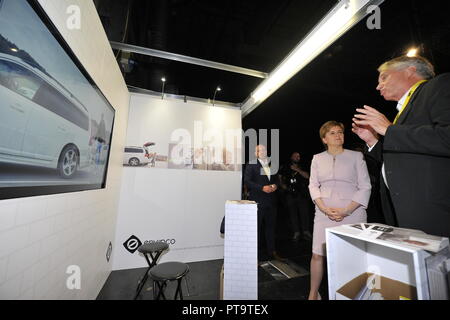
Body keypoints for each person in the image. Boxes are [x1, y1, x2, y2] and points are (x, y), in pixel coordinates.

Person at [352, 55, 450, 237]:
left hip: (434, 213)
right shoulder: (403, 110)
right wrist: (373, 141)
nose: (378, 86)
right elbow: (404, 157)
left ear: (409, 71)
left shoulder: (439, 86)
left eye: (384, 77)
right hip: (403, 211)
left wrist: (389, 130)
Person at [308, 121, 371, 300]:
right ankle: (313, 293)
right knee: (317, 254)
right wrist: (323, 208)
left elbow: (365, 186)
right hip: (323, 212)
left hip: (353, 212)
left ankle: (353, 294)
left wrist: (346, 211)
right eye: (333, 133)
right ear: (324, 139)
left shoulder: (356, 157)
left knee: (351, 255)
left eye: (340, 132)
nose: (338, 135)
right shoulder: (317, 158)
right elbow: (313, 185)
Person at [244, 145, 283, 262]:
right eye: (259, 150)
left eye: (264, 149)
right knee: (256, 229)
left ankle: (272, 251)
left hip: (271, 201)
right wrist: (261, 188)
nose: (262, 151)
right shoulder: (251, 164)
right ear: (255, 153)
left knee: (271, 227)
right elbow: (247, 181)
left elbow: (276, 179)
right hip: (257, 201)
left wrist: (275, 185)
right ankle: (254, 255)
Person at [279, 152, 313, 241]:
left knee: (304, 213)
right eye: (295, 156)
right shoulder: (285, 166)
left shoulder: (304, 165)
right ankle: (296, 232)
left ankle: (306, 232)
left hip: (302, 194)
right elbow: (280, 177)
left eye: (298, 156)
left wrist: (297, 170)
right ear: (291, 157)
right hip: (290, 194)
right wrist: (283, 186)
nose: (297, 157)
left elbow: (308, 176)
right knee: (292, 214)